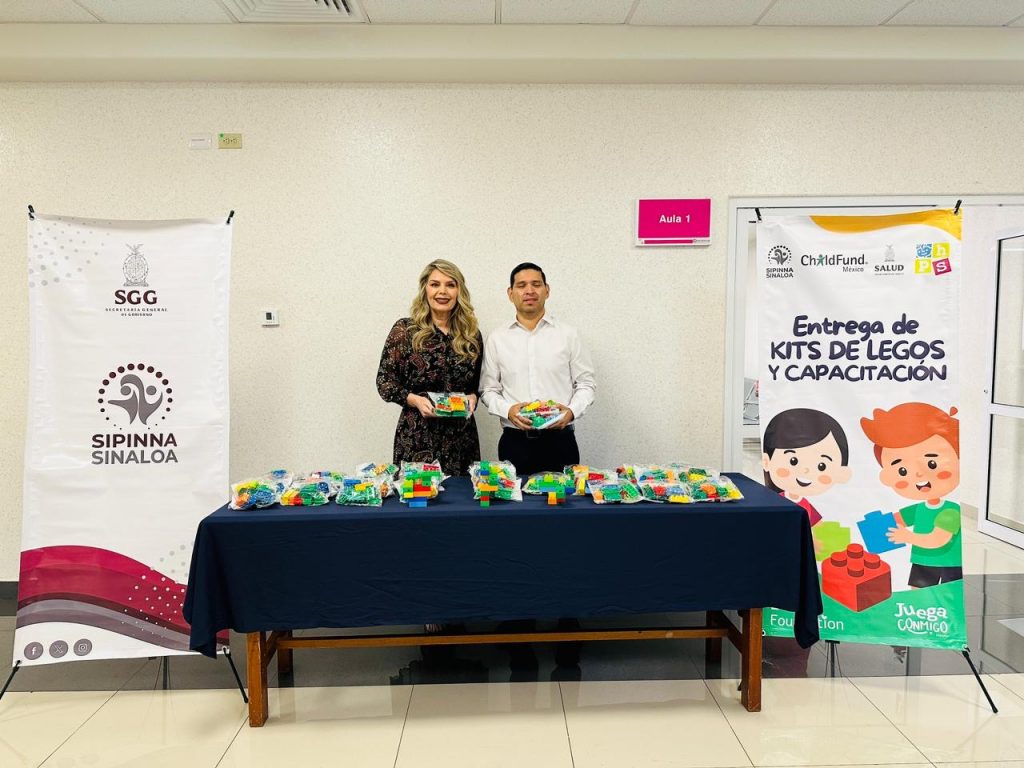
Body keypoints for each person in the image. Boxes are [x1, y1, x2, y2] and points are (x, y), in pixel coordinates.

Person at [479, 262, 596, 476]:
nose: (529, 290)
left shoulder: (569, 335)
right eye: (521, 285)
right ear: (510, 293)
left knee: (563, 496)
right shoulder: (497, 338)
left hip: (560, 441)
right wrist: (508, 411)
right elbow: (488, 390)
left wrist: (571, 411)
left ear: (547, 290)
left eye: (536, 284)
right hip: (515, 442)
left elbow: (586, 384)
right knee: (513, 496)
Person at [376, 259, 483, 476]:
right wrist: (414, 400)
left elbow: (476, 385)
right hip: (418, 436)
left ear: (459, 291)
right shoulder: (405, 330)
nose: (442, 291)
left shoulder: (471, 335)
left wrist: (473, 397)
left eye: (450, 285)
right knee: (419, 494)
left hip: (461, 439)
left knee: (461, 496)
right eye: (435, 284)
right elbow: (385, 381)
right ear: (425, 289)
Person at [860, 402, 962, 588]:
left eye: (931, 464)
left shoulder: (951, 511)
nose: (919, 474)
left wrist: (908, 537)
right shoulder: (919, 509)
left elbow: (938, 539)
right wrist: (873, 525)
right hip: (922, 559)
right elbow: (896, 520)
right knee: (918, 591)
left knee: (948, 594)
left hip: (948, 562)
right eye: (902, 470)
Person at [761, 407, 853, 528]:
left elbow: (817, 525)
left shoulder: (805, 504)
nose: (805, 470)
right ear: (767, 462)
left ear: (841, 473)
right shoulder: (777, 501)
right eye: (793, 461)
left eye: (821, 466)